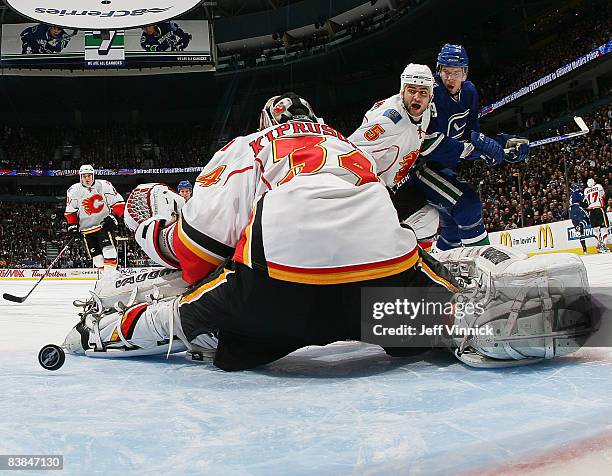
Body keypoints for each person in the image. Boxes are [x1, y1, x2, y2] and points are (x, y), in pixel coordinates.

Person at [65, 92, 458, 371]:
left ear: (267, 124)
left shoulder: (250, 145)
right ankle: (467, 317)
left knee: (194, 309)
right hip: (376, 300)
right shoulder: (350, 149)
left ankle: (101, 335)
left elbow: (198, 251)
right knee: (445, 301)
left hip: (280, 306)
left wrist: (150, 230)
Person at [349, 63, 515, 249]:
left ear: (431, 96)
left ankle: (418, 267)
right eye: (411, 91)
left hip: (393, 185)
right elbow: (350, 152)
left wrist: (497, 146)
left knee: (426, 220)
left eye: (423, 92)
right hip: (368, 190)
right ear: (402, 90)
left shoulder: (426, 112)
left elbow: (434, 139)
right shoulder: (390, 119)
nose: (417, 97)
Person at [415, 44, 529, 250]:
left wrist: (500, 147)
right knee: (467, 206)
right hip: (419, 167)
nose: (449, 77)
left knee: (451, 230)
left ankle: (443, 271)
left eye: (456, 72)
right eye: (445, 71)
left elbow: (471, 135)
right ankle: (485, 270)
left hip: (442, 168)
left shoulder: (469, 92)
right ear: (438, 70)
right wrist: (475, 150)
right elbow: (428, 143)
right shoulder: (431, 93)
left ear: (465, 73)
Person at [64, 165, 125, 276]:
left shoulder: (104, 185)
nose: (87, 179)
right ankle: (106, 278)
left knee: (109, 251)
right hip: (86, 230)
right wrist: (72, 226)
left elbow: (119, 204)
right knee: (97, 260)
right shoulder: (73, 190)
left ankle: (111, 277)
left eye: (89, 176)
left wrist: (113, 217)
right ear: (80, 177)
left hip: (103, 226)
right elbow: (70, 212)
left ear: (93, 176)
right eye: (84, 176)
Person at [584, 178, 609, 253]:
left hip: (591, 211)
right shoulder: (598, 186)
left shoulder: (585, 190)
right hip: (598, 208)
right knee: (603, 227)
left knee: (595, 229)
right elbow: (603, 195)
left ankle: (599, 244)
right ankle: (604, 245)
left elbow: (586, 200)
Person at [569, 183, 590, 254]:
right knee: (588, 220)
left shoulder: (571, 195)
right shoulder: (577, 193)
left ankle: (584, 249)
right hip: (577, 209)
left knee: (581, 232)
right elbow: (584, 201)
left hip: (571, 212)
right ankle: (581, 225)